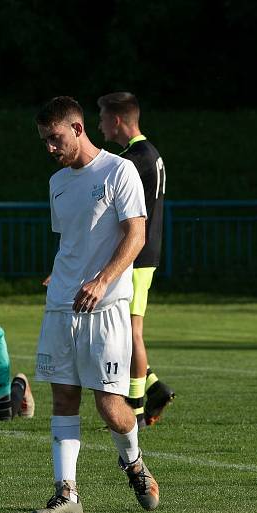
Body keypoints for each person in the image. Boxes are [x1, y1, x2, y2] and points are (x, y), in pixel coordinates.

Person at [31, 96, 158, 513]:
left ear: (78, 129)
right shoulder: (57, 183)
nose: (50, 148)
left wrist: (102, 280)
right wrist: (59, 277)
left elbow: (135, 235)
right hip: (61, 307)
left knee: (109, 405)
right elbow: (71, 241)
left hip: (105, 308)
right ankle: (67, 495)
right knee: (63, 398)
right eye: (45, 141)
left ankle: (133, 461)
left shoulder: (119, 170)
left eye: (55, 138)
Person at [97, 92, 175, 427]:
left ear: (116, 120)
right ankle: (154, 386)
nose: (98, 125)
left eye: (101, 118)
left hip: (137, 256)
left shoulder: (133, 160)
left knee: (131, 332)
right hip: (144, 253)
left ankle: (138, 410)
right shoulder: (148, 153)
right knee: (123, 331)